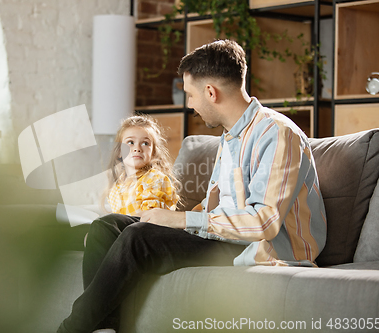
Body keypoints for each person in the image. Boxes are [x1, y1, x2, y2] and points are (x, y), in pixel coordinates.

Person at [57, 39, 327, 333]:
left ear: (210, 92)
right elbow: (216, 207)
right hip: (224, 238)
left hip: (263, 249)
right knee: (106, 227)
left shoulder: (277, 135)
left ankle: (69, 329)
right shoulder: (230, 136)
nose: (190, 105)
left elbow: (266, 223)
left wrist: (182, 219)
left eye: (190, 95)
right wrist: (176, 219)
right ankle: (104, 329)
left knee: (138, 238)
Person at [105, 115, 179, 216]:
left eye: (145, 143)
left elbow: (151, 218)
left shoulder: (155, 178)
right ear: (119, 152)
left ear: (153, 152)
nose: (137, 148)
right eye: (130, 142)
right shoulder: (117, 185)